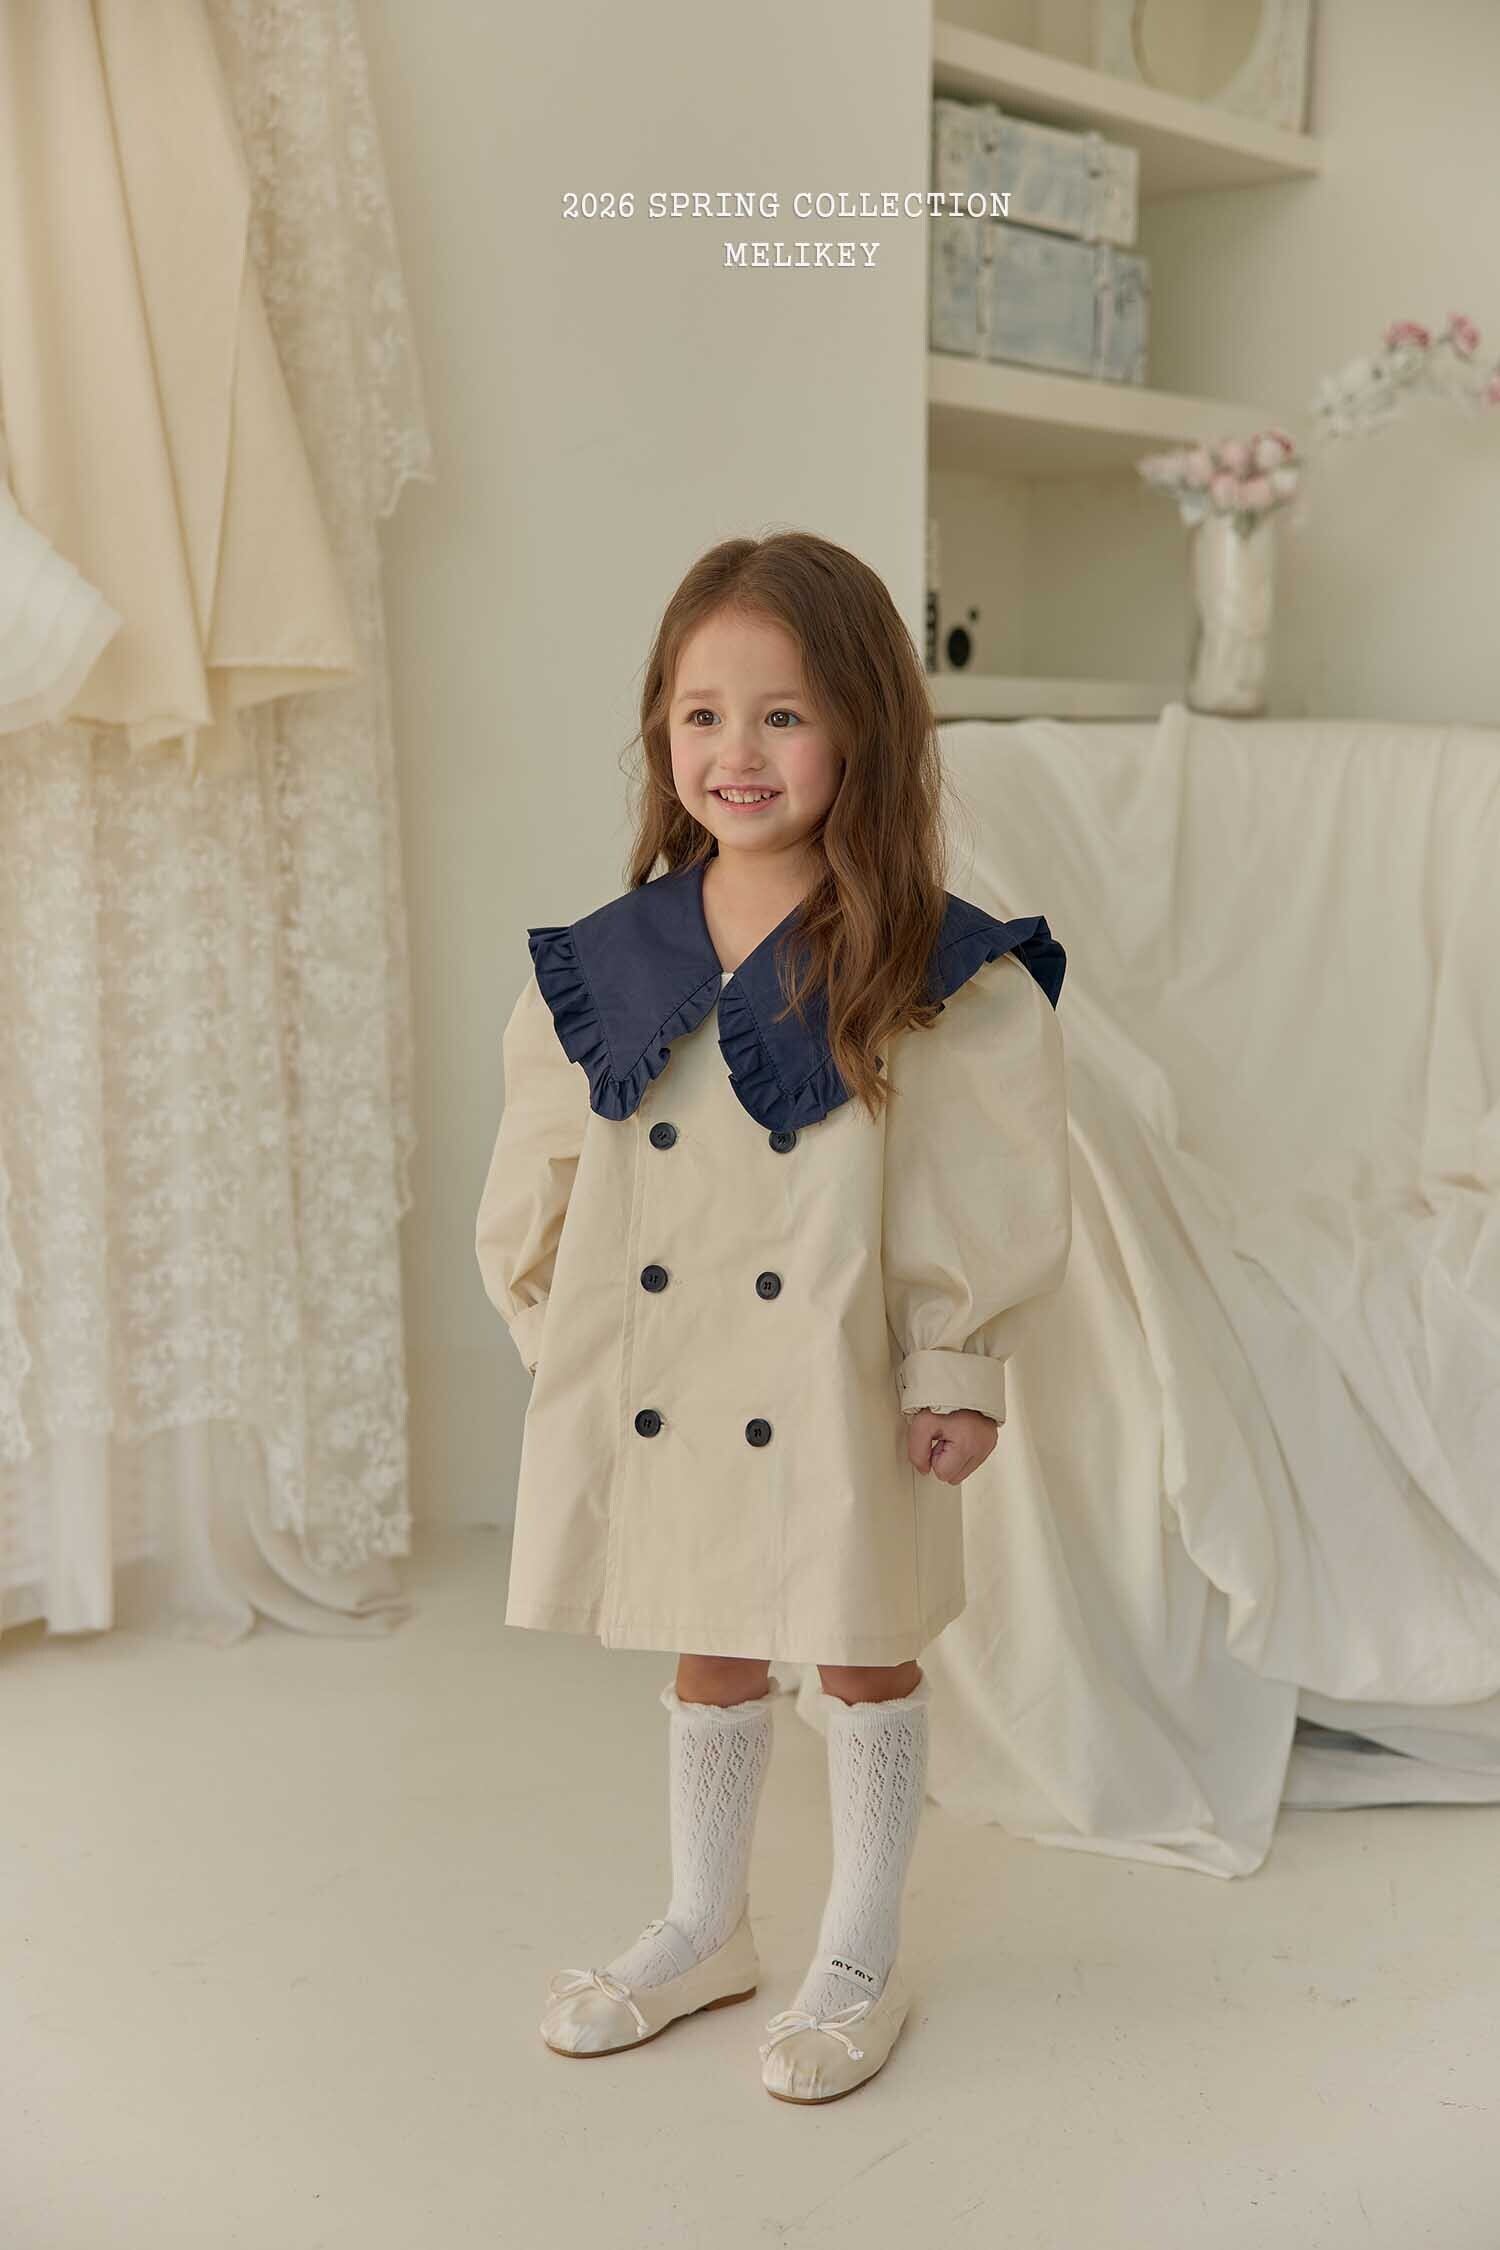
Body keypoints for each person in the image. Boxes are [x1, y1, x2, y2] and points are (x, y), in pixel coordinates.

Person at [475, 529, 1073, 2105]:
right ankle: (705, 1921)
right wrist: (567, 1343)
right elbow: (538, 1181)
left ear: (863, 725)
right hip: (675, 1373)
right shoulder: (606, 964)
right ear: (661, 734)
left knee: (860, 1647)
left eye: (784, 713)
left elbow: (977, 1183)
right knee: (712, 1639)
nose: (737, 751)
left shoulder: (934, 967)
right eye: (702, 714)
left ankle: (859, 1943)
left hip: (840, 1370)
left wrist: (955, 1359)